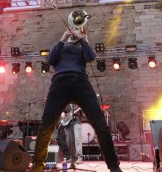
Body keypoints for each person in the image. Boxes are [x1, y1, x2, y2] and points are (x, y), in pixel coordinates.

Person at [30, 28, 122, 172]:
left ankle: (114, 166)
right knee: (46, 126)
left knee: (101, 126)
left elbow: (91, 57)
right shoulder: (60, 46)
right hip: (59, 83)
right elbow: (50, 60)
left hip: (81, 82)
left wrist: (81, 39)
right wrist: (63, 38)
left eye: (78, 31)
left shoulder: (82, 48)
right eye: (73, 30)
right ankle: (37, 166)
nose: (74, 32)